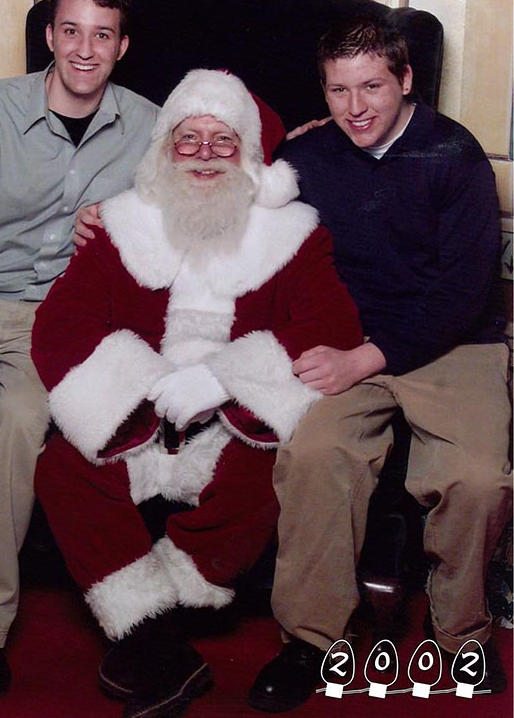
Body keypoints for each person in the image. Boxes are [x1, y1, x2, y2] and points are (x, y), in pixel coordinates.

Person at [30, 68, 363, 718]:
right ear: (164, 149)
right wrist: (143, 392)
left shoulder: (294, 234)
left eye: (222, 140)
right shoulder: (120, 225)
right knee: (62, 468)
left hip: (234, 419)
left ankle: (151, 630)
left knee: (259, 477)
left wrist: (224, 380)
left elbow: (329, 325)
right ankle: (159, 643)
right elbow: (61, 323)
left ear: (249, 156)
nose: (205, 154)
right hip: (141, 409)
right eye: (188, 139)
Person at [248, 16, 512, 711]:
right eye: (338, 90)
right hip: (348, 336)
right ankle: (308, 639)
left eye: (371, 86)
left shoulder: (453, 155)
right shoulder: (308, 158)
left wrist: (365, 358)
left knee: (475, 477)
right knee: (313, 454)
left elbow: (460, 292)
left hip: (452, 341)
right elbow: (237, 226)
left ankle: (461, 636)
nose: (355, 106)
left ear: (405, 81)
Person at [0, 0, 158, 699]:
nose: (85, 49)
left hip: (59, 310)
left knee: (15, 423)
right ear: (49, 36)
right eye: (71, 30)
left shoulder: (149, 127)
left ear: (121, 46)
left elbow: (205, 203)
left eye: (102, 35)